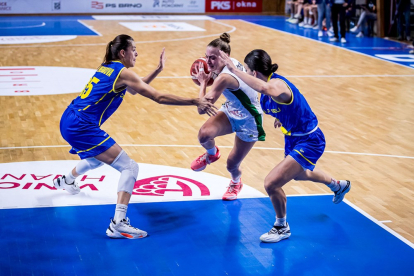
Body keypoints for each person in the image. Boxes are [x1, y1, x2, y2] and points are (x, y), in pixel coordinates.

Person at [53, 34, 217, 239]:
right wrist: (195, 101)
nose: (137, 53)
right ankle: (118, 223)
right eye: (134, 49)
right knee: (129, 167)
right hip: (82, 126)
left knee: (95, 160)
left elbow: (133, 89)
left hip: (69, 118)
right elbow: (158, 97)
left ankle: (66, 181)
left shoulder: (107, 66)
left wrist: (157, 70)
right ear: (123, 53)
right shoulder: (122, 73)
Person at [218, 49, 351, 243]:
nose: (245, 73)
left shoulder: (276, 84)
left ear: (253, 73)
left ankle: (281, 226)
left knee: (271, 183)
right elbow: (286, 104)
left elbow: (268, 89)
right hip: (293, 139)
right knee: (300, 174)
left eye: (247, 70)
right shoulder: (264, 93)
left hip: (309, 140)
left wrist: (234, 70)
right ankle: (338, 185)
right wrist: (282, 117)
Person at [191, 33, 265, 201]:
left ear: (225, 56)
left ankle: (236, 182)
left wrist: (203, 82)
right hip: (232, 109)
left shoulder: (224, 77)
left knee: (232, 164)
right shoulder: (228, 64)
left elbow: (201, 109)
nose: (208, 62)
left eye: (213, 58)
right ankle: (212, 153)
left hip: (249, 120)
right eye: (206, 57)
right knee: (204, 134)